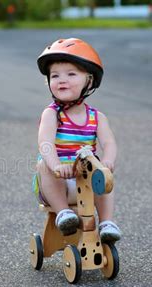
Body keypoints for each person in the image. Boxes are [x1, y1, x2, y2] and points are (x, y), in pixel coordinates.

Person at [33, 38, 122, 241]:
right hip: (57, 183)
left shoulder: (97, 117)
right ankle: (64, 214)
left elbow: (109, 142)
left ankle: (107, 222)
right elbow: (45, 143)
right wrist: (56, 166)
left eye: (71, 74)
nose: (61, 80)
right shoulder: (52, 114)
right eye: (55, 76)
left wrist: (108, 161)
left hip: (86, 178)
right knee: (43, 166)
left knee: (102, 173)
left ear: (88, 80)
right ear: (48, 82)